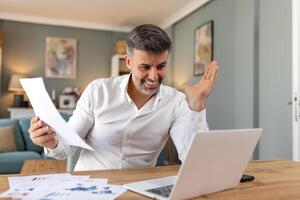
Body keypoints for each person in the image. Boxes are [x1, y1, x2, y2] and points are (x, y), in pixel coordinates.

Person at [28, 24, 218, 171]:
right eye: (145, 67)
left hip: (139, 189)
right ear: (128, 62)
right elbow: (67, 148)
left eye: (160, 66)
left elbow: (193, 159)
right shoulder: (98, 91)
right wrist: (50, 142)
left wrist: (197, 106)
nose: (153, 76)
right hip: (89, 187)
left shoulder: (176, 102)